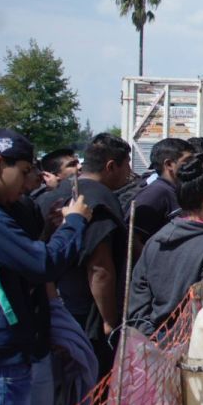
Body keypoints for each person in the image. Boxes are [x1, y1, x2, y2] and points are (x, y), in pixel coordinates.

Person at [0, 128, 92, 405]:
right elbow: (41, 264)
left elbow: (18, 260)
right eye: (25, 170)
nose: (31, 182)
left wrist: (49, 231)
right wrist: (75, 223)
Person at [35, 133, 134, 377]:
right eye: (127, 164)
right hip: (87, 319)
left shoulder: (50, 195)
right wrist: (110, 321)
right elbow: (99, 268)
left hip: (52, 312)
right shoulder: (98, 200)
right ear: (112, 166)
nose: (129, 172)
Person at [126, 155, 203, 334]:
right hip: (192, 342)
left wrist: (153, 337)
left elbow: (138, 296)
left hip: (151, 342)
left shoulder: (154, 241)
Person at [131, 138, 196, 239]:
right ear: (169, 164)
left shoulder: (177, 191)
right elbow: (133, 236)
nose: (192, 165)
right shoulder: (156, 193)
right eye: (187, 161)